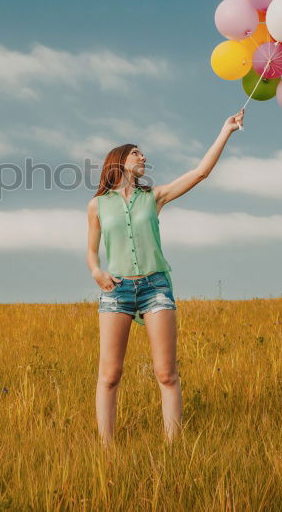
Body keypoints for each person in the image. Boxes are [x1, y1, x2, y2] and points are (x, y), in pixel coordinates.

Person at [86, 109, 245, 446]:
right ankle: (105, 450)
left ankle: (174, 448)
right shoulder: (97, 205)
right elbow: (91, 252)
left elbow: (201, 172)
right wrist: (97, 271)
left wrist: (225, 130)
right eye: (136, 152)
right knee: (110, 375)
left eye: (142, 152)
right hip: (116, 292)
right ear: (119, 161)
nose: (143, 156)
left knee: (166, 374)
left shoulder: (153, 197)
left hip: (155, 287)